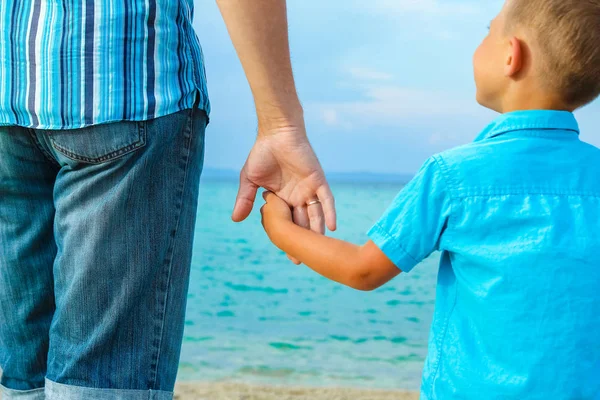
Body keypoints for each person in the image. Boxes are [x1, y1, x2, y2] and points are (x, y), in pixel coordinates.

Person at [260, 1, 600, 398]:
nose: (481, 42)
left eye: (487, 30)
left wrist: (279, 227)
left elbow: (362, 270)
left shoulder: (454, 176)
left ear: (512, 55)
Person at [0, 0, 335, 399]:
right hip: (127, 81)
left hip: (10, 90)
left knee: (24, 373)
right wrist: (281, 123)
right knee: (101, 382)